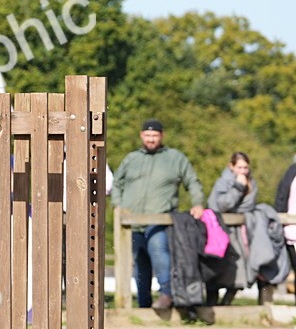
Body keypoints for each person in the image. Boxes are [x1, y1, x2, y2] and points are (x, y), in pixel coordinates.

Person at [111, 119, 204, 310]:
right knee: (139, 264)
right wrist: (118, 206)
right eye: (147, 135)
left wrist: (197, 203)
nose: (151, 139)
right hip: (132, 223)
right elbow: (117, 184)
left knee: (159, 253)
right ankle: (144, 304)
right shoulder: (131, 159)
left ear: (161, 136)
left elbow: (192, 181)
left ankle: (166, 294)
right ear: (141, 135)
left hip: (160, 220)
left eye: (155, 135)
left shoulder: (175, 158)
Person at [207, 152, 289, 305]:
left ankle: (225, 304)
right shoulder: (223, 183)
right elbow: (221, 205)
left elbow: (248, 205)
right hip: (225, 233)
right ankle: (211, 306)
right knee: (221, 270)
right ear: (231, 166)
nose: (243, 171)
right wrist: (238, 187)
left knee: (243, 270)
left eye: (245, 168)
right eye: (239, 167)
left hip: (245, 233)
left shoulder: (252, 182)